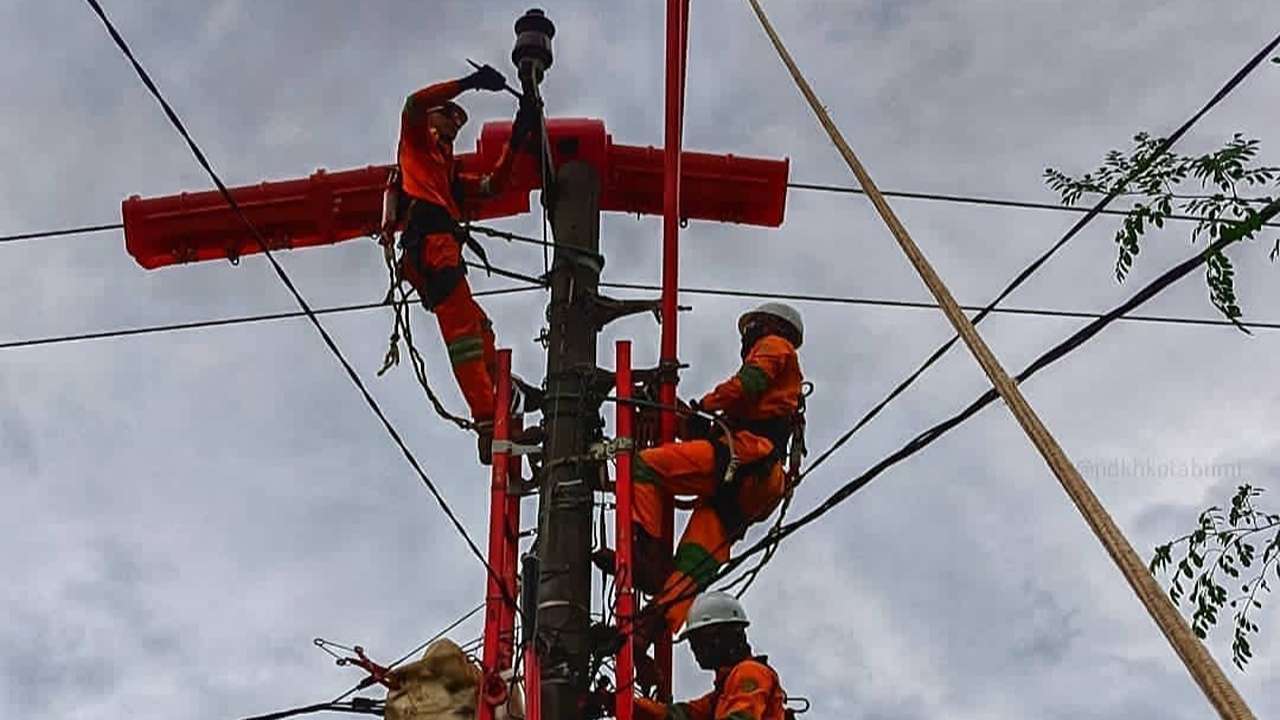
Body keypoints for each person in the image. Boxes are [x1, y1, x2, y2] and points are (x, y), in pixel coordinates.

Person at [616, 303, 806, 646]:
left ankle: (646, 551)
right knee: (696, 556)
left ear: (766, 325)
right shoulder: (781, 392)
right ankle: (658, 618)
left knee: (643, 466)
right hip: (759, 483)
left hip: (748, 457)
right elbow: (733, 422)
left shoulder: (776, 345)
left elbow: (745, 385)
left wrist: (705, 404)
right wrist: (691, 422)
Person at [388, 64, 541, 464]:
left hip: (443, 248)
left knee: (479, 328)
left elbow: (492, 186)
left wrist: (518, 136)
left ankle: (501, 397)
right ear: (434, 120)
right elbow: (413, 103)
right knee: (465, 337)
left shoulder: (447, 171)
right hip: (432, 247)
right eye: (448, 117)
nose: (453, 127)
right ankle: (488, 421)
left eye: (457, 123)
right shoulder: (416, 150)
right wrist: (469, 83)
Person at [587, 593, 790, 720]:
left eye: (700, 641)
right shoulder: (721, 695)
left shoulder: (750, 672)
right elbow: (677, 715)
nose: (696, 650)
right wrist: (613, 701)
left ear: (727, 635)